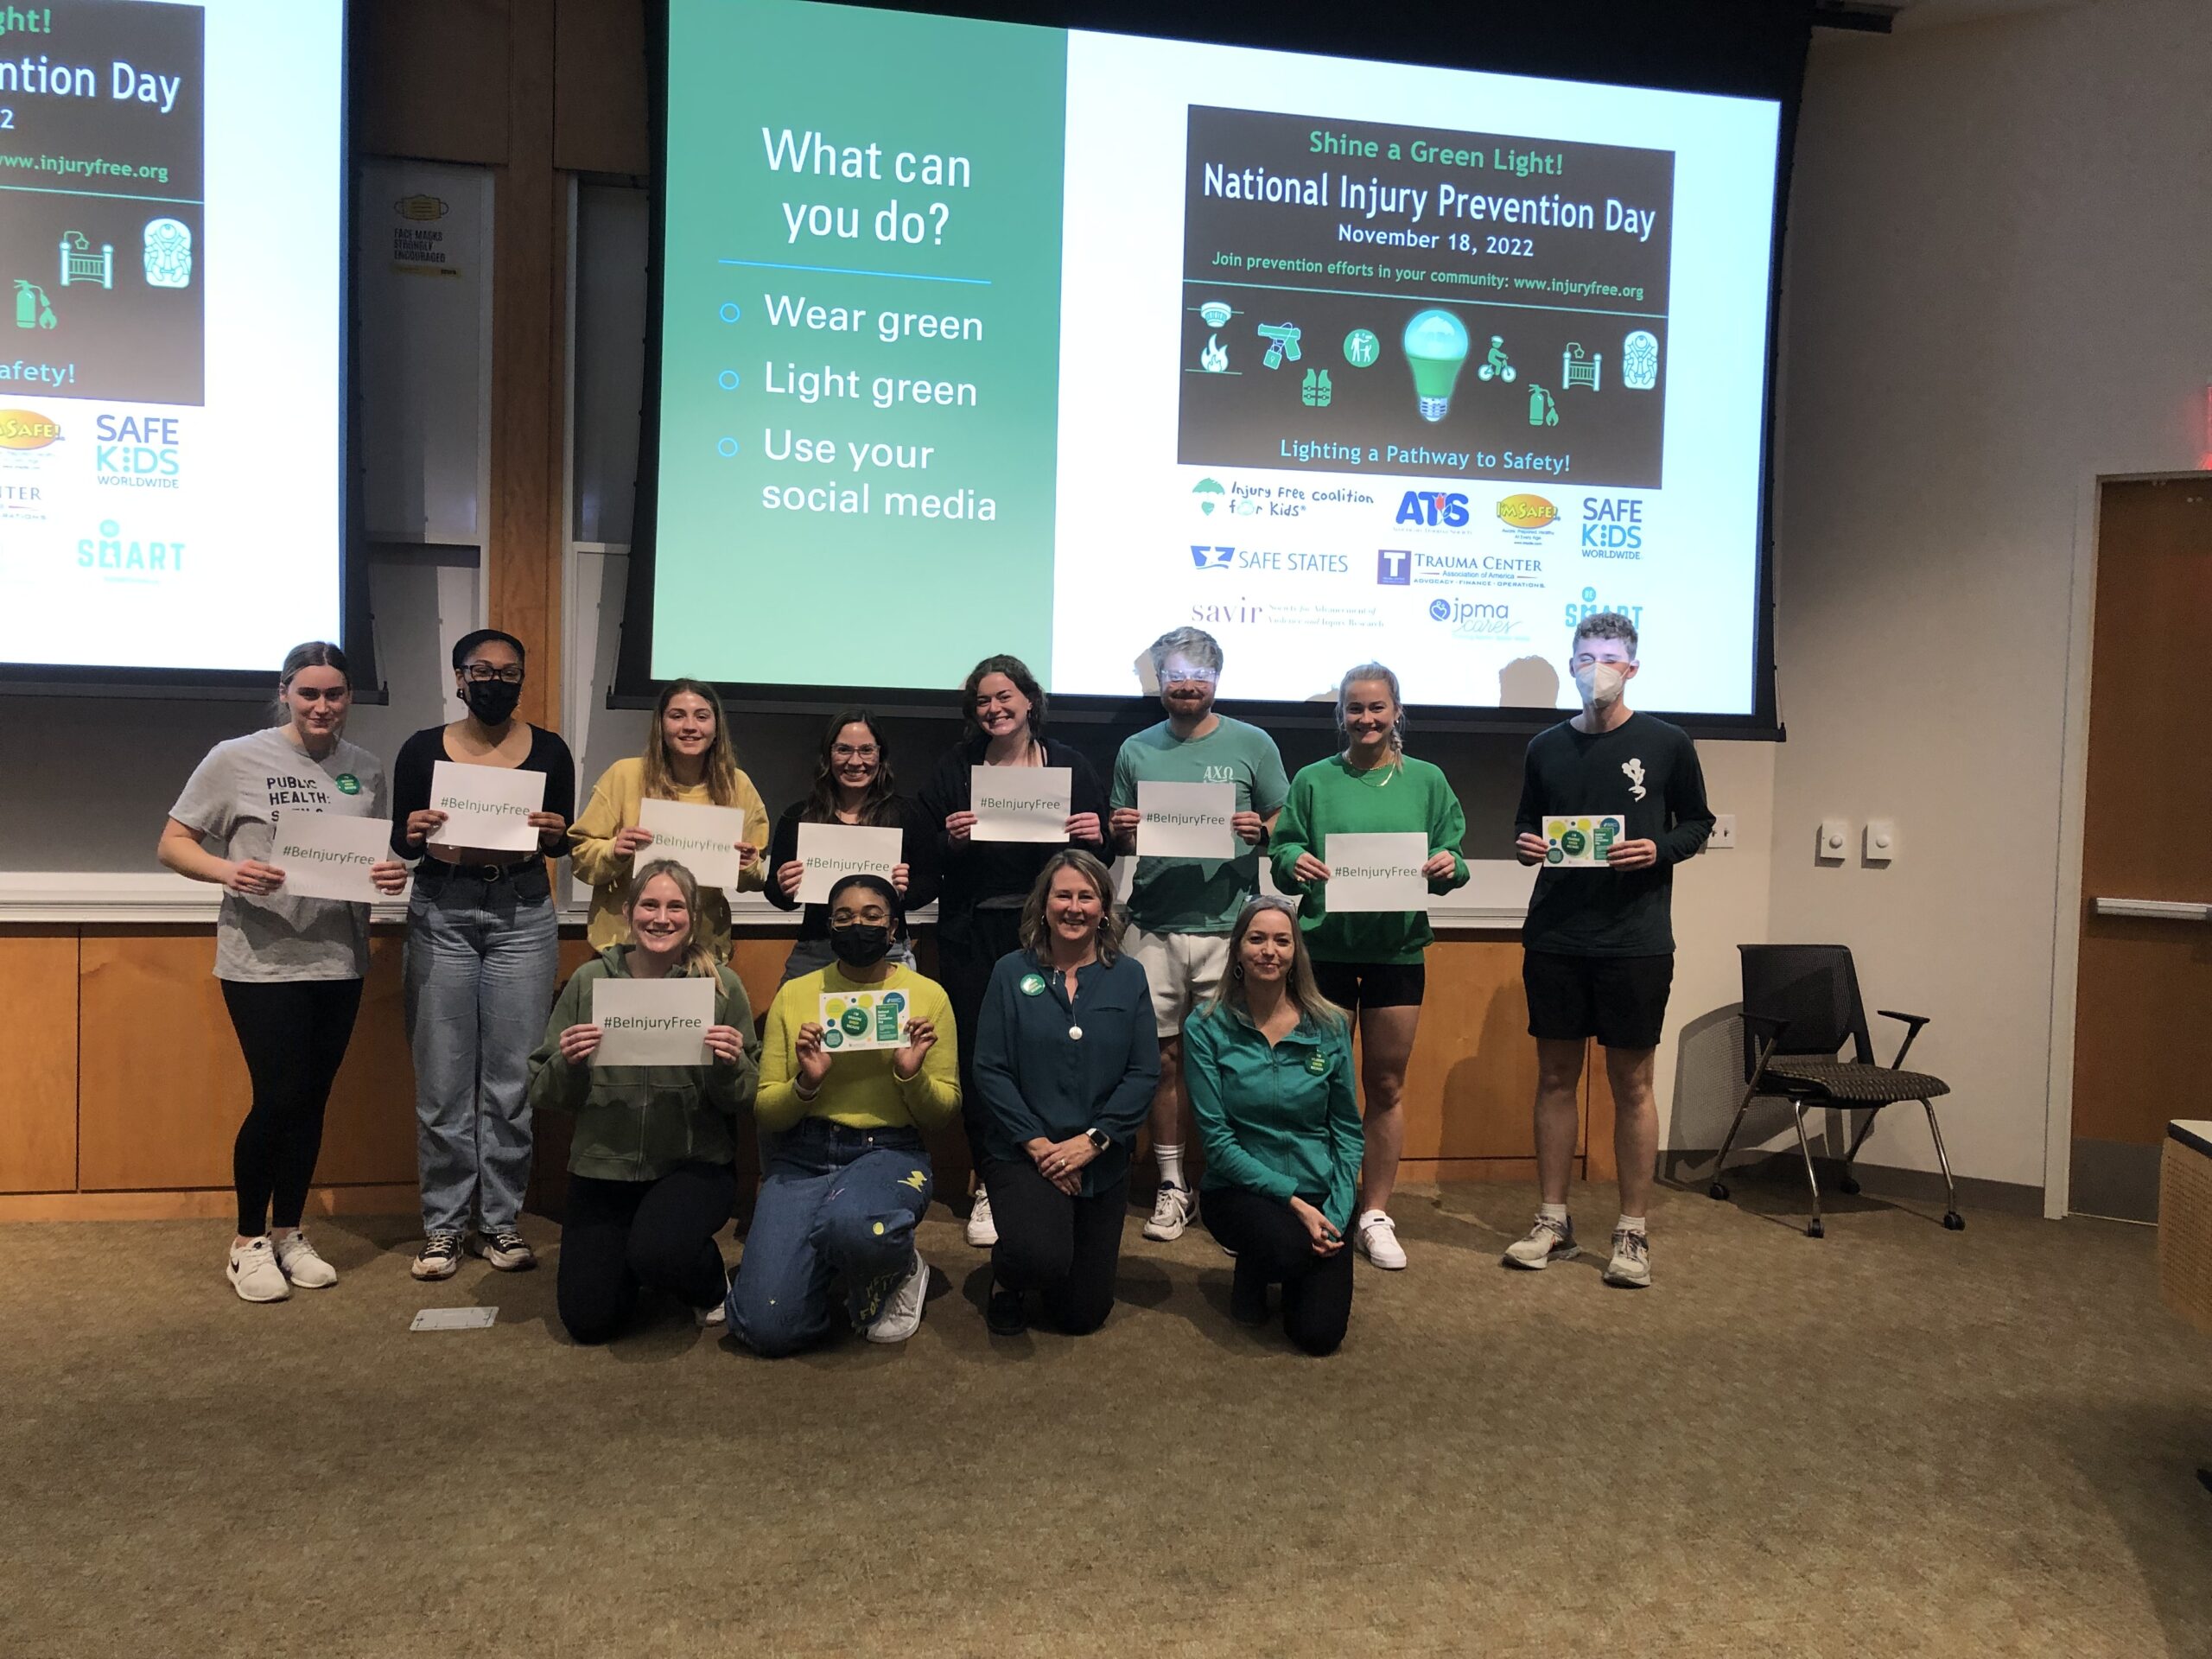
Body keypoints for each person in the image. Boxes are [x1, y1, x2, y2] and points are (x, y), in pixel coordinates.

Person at [158, 642, 409, 1301]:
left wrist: (391, 872)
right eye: (309, 694)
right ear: (285, 693)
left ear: (350, 697)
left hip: (340, 957)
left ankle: (291, 1230)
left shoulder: (366, 769)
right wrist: (229, 871)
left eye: (334, 694)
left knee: (312, 1101)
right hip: (261, 960)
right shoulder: (235, 758)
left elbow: (370, 858)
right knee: (279, 1097)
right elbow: (173, 843)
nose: (322, 706)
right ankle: (247, 1242)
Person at [1506, 611, 1713, 1288]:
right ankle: (1553, 1221)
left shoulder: (1668, 742)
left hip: (1636, 940)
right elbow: (1527, 824)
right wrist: (1525, 843)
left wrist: (1661, 847)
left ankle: (1632, 1231)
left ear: (1632, 668)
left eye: (1611, 657)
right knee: (1556, 1079)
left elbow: (1698, 824)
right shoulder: (1543, 747)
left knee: (1632, 1084)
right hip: (1557, 937)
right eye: (1586, 655)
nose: (1597, 667)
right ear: (1571, 664)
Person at [391, 627, 576, 1281]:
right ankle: (443, 1228)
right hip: (442, 909)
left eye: (508, 672)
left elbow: (559, 845)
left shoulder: (551, 751)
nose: (495, 681)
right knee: (442, 1082)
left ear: (521, 680)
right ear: (459, 676)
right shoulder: (420, 749)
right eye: (482, 670)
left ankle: (499, 1223)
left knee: (511, 1083)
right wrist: (410, 830)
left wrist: (559, 831)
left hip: (523, 913)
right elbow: (403, 842)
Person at [1269, 663, 1469, 1271]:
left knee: (1384, 1085)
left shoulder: (1428, 781)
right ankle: (1317, 1196)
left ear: (1397, 712)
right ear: (1341, 716)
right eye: (1355, 709)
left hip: (1396, 953)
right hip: (1323, 951)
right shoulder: (1311, 780)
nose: (1366, 719)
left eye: (1377, 708)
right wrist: (1294, 860)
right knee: (1316, 1081)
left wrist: (1446, 867)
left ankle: (1375, 1212)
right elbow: (1282, 855)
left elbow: (1455, 860)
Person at [915, 653, 1111, 1250]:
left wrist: (1095, 834)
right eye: (983, 701)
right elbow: (921, 865)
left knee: (1053, 1054)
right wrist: (948, 841)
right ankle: (987, 1180)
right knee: (984, 1060)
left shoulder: (1070, 766)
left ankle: (1059, 1164)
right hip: (973, 934)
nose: (995, 709)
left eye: (1006, 697)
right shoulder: (956, 767)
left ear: (1030, 701)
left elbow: (1100, 856)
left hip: (1053, 934)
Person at [1106, 626, 1288, 1246]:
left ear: (1217, 679)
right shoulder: (1135, 748)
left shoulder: (1253, 743)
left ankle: (1230, 1184)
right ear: (1160, 680)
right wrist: (1123, 829)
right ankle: (1169, 1183)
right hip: (1154, 924)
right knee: (1161, 1061)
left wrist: (1260, 828)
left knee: (1233, 1062)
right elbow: (1121, 834)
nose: (1187, 686)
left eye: (1199, 676)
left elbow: (1280, 817)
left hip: (1229, 927)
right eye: (1176, 676)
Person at [728, 874, 959, 1354]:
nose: (859, 925)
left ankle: (896, 1266)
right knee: (767, 1329)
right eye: (845, 917)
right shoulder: (796, 994)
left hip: (890, 1152)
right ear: (829, 927)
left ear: (893, 928)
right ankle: (835, 1248)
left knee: (853, 1226)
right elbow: (767, 1111)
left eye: (873, 916)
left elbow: (942, 1114)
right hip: (804, 1156)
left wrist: (909, 1074)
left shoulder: (928, 997)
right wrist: (806, 1084)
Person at [527, 860, 757, 1343]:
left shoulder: (720, 986)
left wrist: (730, 1063)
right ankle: (635, 1256)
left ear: (693, 916)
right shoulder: (590, 981)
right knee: (589, 1323)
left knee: (661, 1250)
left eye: (676, 907)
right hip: (604, 1167)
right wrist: (569, 1062)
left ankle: (708, 1282)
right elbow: (545, 1092)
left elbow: (743, 1098)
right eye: (649, 905)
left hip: (692, 1165)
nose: (661, 918)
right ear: (629, 912)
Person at [972, 850, 1160, 1336]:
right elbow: (989, 1070)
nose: (1073, 907)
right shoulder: (1009, 973)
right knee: (1038, 1258)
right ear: (1042, 905)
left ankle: (1053, 1250)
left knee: (1082, 1316)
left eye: (1086, 896)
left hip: (1099, 1154)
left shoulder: (1130, 976)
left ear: (1104, 908)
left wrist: (1092, 1142)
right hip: (1024, 1150)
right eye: (1062, 895)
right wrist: (1041, 1148)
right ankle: (1010, 1279)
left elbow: (1142, 1074)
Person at [1184, 898, 1362, 1357]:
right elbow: (1218, 1145)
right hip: (1239, 1191)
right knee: (1287, 1249)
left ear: (1295, 953)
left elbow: (1347, 1130)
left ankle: (1286, 1265)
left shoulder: (1332, 1025)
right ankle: (1256, 1266)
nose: (1269, 951)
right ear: (1238, 951)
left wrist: (1338, 1214)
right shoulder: (1205, 1027)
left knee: (1318, 1337)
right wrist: (1293, 1201)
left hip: (1321, 1190)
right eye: (1256, 939)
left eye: (1282, 940)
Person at [569, 678, 767, 963]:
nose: (690, 726)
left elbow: (755, 876)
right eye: (677, 716)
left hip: (702, 951)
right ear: (661, 725)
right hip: (625, 948)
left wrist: (747, 866)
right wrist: (614, 851)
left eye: (702, 716)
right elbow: (579, 859)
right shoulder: (624, 775)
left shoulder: (737, 784)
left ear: (716, 727)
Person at [763, 709, 934, 981]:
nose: (855, 761)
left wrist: (906, 889)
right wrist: (784, 888)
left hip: (888, 950)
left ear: (881, 755)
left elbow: (929, 884)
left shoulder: (908, 815)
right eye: (843, 750)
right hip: (817, 950)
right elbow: (776, 894)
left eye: (866, 750)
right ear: (828, 755)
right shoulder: (799, 817)